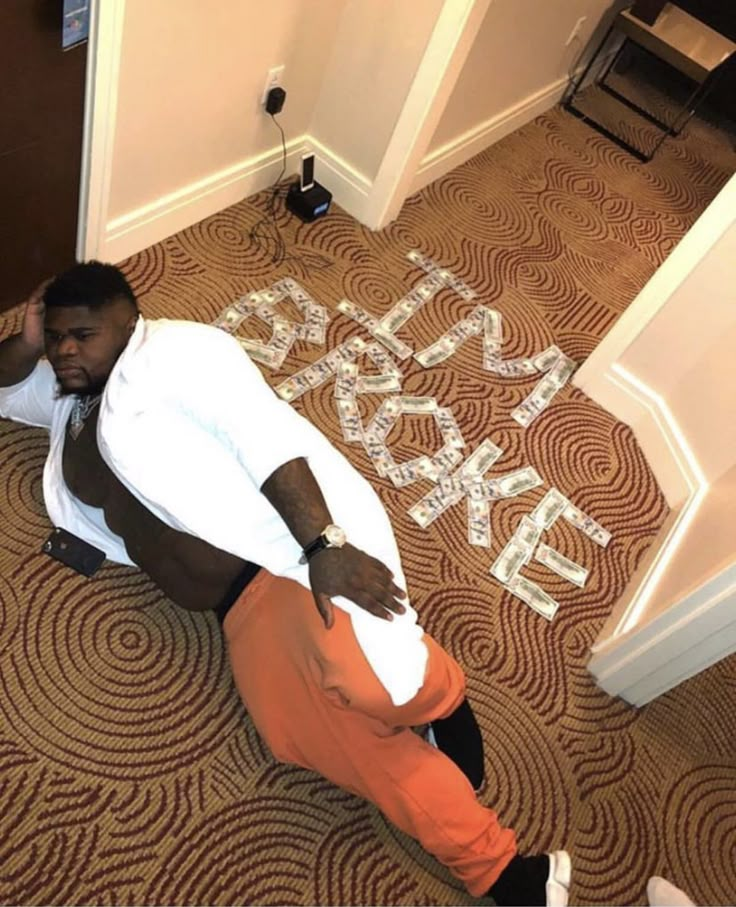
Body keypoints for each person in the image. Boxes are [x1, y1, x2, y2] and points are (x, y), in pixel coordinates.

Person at [0, 262, 572, 906]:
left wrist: (322, 543)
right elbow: (2, 386)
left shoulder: (176, 354)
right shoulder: (67, 399)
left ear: (129, 322)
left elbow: (259, 432)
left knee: (368, 688)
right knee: (302, 735)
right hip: (234, 608)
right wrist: (25, 341)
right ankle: (506, 875)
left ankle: (441, 694)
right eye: (56, 339)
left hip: (284, 559)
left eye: (82, 334)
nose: (66, 350)